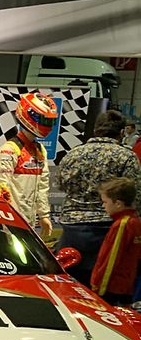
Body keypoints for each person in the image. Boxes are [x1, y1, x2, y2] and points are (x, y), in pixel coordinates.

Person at [55, 110, 141, 285]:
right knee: (103, 289)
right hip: (109, 231)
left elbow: (60, 184)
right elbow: (135, 196)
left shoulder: (73, 154)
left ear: (95, 130)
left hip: (71, 230)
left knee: (68, 286)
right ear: (121, 132)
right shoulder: (126, 157)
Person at [0, 92, 57, 237]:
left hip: (30, 220)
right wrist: (7, 217)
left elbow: (42, 186)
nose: (48, 125)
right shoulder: (10, 149)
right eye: (45, 120)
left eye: (50, 121)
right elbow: (3, 187)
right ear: (29, 115)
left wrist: (44, 215)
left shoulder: (40, 150)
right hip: (12, 221)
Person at [91, 177, 141, 306]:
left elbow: (110, 260)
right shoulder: (135, 221)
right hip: (126, 286)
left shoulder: (122, 225)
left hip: (112, 289)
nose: (103, 206)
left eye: (105, 202)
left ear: (118, 203)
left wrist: (98, 287)